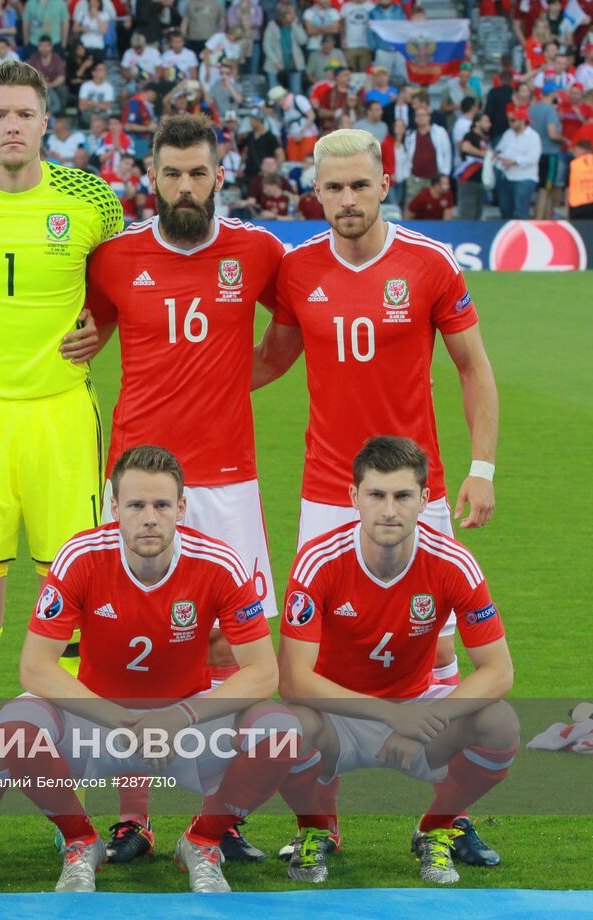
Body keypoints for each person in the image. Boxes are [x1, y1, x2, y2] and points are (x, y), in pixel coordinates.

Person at [253, 128, 501, 867]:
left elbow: (473, 366)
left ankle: (443, 821)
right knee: (311, 665)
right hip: (329, 493)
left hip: (411, 492)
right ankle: (318, 825)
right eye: (333, 188)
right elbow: (272, 357)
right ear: (315, 192)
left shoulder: (429, 263)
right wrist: (182, 388)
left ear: (385, 183)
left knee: (444, 645)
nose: (347, 199)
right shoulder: (298, 270)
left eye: (360, 185)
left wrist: (481, 467)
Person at [83, 114, 286, 864]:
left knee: (236, 648)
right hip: (136, 479)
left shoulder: (259, 252)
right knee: (129, 641)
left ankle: (220, 819)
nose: (186, 186)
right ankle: (133, 818)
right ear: (152, 177)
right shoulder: (113, 258)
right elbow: (80, 332)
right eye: (172, 173)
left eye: (198, 172)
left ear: (219, 174)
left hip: (228, 479)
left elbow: (287, 333)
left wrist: (239, 379)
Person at [0, 445, 303, 893]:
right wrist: (126, 719)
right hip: (101, 722)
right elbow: (35, 668)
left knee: (282, 731)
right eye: (136, 505)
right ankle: (81, 841)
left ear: (181, 507)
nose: (150, 518)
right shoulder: (80, 555)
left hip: (186, 724)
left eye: (161, 505)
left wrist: (179, 717)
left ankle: (203, 840)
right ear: (114, 507)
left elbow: (263, 672)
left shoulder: (218, 562)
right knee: (15, 726)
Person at [0, 61, 121, 666]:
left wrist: (99, 331)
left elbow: (116, 291)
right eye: (0, 114)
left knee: (75, 576)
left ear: (45, 124)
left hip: (59, 411)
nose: (13, 126)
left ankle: (75, 736)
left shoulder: (92, 200)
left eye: (25, 115)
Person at [276, 437, 517, 885]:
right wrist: (389, 715)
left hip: (415, 703)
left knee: (500, 724)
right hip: (338, 716)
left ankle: (437, 827)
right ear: (354, 498)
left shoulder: (454, 563)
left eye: (403, 496)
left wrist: (425, 715)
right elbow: (292, 681)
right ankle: (315, 827)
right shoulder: (318, 561)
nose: (389, 510)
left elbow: (499, 671)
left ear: (425, 500)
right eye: (376, 495)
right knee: (281, 726)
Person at [493, 107, 541, 219]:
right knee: (505, 210)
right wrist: (500, 157)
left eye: (513, 120)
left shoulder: (533, 136)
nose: (510, 123)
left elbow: (533, 158)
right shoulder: (508, 134)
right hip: (508, 176)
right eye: (510, 120)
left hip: (524, 178)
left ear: (523, 120)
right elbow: (500, 149)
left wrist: (514, 161)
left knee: (521, 211)